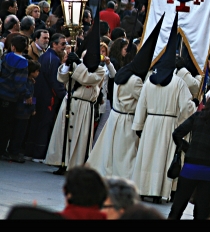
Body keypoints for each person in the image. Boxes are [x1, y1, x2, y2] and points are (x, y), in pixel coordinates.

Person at [87, 15, 165, 180]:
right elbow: (146, 99)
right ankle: (124, 178)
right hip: (127, 119)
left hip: (116, 116)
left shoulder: (123, 72)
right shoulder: (136, 80)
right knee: (125, 153)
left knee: (110, 149)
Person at [131, 14, 196, 202]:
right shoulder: (178, 83)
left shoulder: (149, 81)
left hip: (150, 122)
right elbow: (187, 107)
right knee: (162, 158)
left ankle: (142, 189)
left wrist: (139, 126)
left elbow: (141, 105)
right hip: (169, 124)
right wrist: (193, 108)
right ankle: (158, 192)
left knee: (147, 156)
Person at [44, 11, 105, 174]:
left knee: (79, 138)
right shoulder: (78, 65)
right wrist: (66, 65)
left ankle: (74, 165)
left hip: (84, 106)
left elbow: (88, 79)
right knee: (63, 134)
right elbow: (63, 79)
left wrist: (78, 64)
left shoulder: (99, 71)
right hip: (70, 101)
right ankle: (61, 161)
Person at [168, 94, 210, 219]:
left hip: (191, 166)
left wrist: (187, 148)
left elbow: (177, 133)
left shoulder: (198, 117)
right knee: (202, 208)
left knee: (178, 205)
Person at [24, 33, 67, 162]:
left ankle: (30, 151)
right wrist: (63, 95)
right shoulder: (52, 59)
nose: (64, 47)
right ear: (54, 44)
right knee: (44, 124)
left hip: (40, 94)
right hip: (47, 96)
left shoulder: (46, 56)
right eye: (62, 44)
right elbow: (55, 80)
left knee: (35, 123)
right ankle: (38, 154)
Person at [0, 35, 29, 160]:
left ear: (13, 46)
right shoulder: (23, 62)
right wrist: (25, 94)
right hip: (11, 97)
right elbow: (20, 83)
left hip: (1, 91)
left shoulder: (6, 57)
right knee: (6, 125)